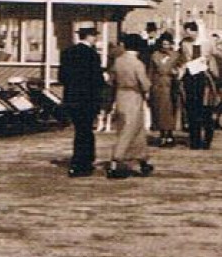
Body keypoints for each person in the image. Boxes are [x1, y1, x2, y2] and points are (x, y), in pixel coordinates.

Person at [106, 33, 153, 179]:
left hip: (120, 95)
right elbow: (144, 83)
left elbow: (111, 79)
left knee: (132, 129)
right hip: (134, 96)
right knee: (131, 129)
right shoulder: (137, 63)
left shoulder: (118, 61)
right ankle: (116, 160)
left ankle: (142, 159)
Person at [60, 25, 105, 177]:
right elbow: (97, 80)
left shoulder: (67, 52)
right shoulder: (92, 55)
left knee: (79, 129)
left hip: (72, 98)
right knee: (86, 131)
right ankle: (84, 162)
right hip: (88, 98)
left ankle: (79, 160)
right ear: (90, 37)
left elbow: (62, 77)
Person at [180, 34, 219, 150]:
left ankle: (204, 141)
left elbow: (215, 73)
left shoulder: (209, 58)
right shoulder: (186, 61)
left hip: (205, 88)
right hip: (192, 85)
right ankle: (195, 141)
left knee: (205, 114)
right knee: (194, 114)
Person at [146, 31, 180, 147]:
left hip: (171, 85)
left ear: (171, 44)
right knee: (158, 110)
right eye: (163, 44)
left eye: (167, 44)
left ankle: (170, 134)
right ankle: (162, 134)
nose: (165, 47)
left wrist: (176, 73)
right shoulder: (155, 55)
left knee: (170, 111)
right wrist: (149, 86)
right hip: (158, 85)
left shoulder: (176, 55)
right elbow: (150, 72)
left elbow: (180, 68)